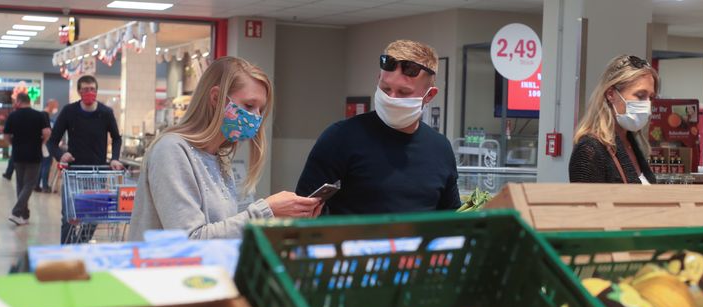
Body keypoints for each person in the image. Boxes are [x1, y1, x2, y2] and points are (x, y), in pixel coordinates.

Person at [128, 57, 321, 240]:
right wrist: (266, 211)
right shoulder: (171, 150)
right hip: (164, 273)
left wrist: (282, 220)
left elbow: (228, 229)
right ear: (215, 98)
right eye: (249, 105)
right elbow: (189, 240)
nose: (256, 117)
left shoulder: (219, 158)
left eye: (261, 110)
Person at [295, 39, 461, 214]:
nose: (391, 98)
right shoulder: (341, 137)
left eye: (404, 92)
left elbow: (450, 217)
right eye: (385, 88)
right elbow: (303, 211)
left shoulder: (440, 148)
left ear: (429, 95)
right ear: (378, 80)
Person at [48, 75, 123, 243]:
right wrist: (61, 155)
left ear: (96, 91)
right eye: (85, 89)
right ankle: (67, 254)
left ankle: (80, 245)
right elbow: (52, 142)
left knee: (94, 216)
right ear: (79, 92)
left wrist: (115, 158)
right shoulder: (69, 111)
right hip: (73, 172)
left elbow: (117, 138)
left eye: (92, 89)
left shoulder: (105, 113)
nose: (89, 93)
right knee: (69, 217)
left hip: (97, 173)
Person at [569, 54, 660, 184]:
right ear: (611, 94)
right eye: (640, 95)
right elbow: (586, 202)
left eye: (650, 97)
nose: (647, 105)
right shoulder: (589, 149)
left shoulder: (631, 143)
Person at [5, 93, 51, 225]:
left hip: (18, 154)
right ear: (29, 101)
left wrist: (13, 144)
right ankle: (17, 212)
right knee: (29, 184)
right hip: (34, 154)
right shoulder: (39, 115)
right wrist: (42, 142)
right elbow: (47, 132)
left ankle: (24, 215)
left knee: (20, 183)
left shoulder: (13, 116)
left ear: (19, 101)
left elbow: (7, 135)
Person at [35, 99, 59, 193]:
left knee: (43, 164)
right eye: (55, 105)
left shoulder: (45, 116)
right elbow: (47, 131)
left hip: (45, 143)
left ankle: (37, 185)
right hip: (47, 143)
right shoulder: (45, 115)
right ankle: (45, 186)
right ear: (50, 105)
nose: (56, 108)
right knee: (46, 164)